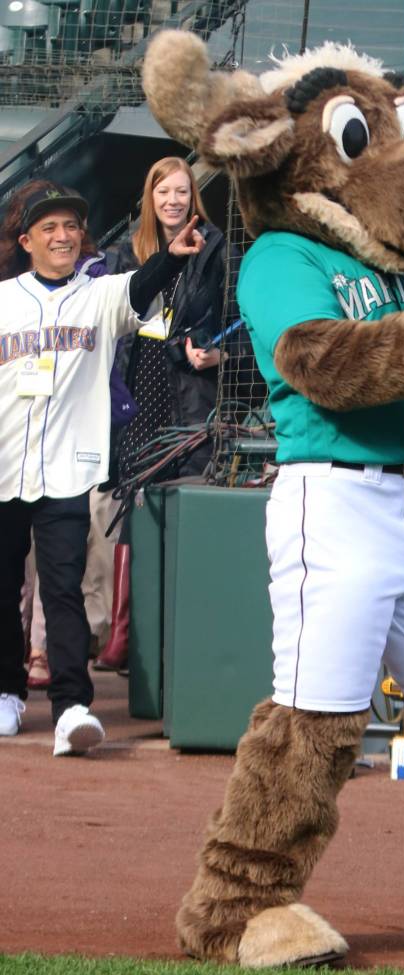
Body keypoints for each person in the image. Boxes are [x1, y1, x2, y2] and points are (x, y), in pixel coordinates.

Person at [0, 180, 204, 754]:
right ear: (27, 240)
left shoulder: (99, 294)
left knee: (63, 589)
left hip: (66, 468)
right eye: (50, 228)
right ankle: (8, 692)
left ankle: (71, 707)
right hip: (3, 464)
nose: (64, 236)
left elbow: (142, 285)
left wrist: (171, 256)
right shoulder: (4, 299)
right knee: (2, 589)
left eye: (71, 226)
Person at [94, 156, 234, 672]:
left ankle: (178, 635)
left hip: (189, 387)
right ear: (149, 199)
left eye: (181, 192)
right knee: (134, 503)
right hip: (137, 382)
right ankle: (125, 632)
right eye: (163, 193)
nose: (173, 202)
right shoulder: (122, 252)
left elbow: (241, 325)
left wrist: (219, 355)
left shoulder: (217, 248)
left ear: (193, 196)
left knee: (184, 502)